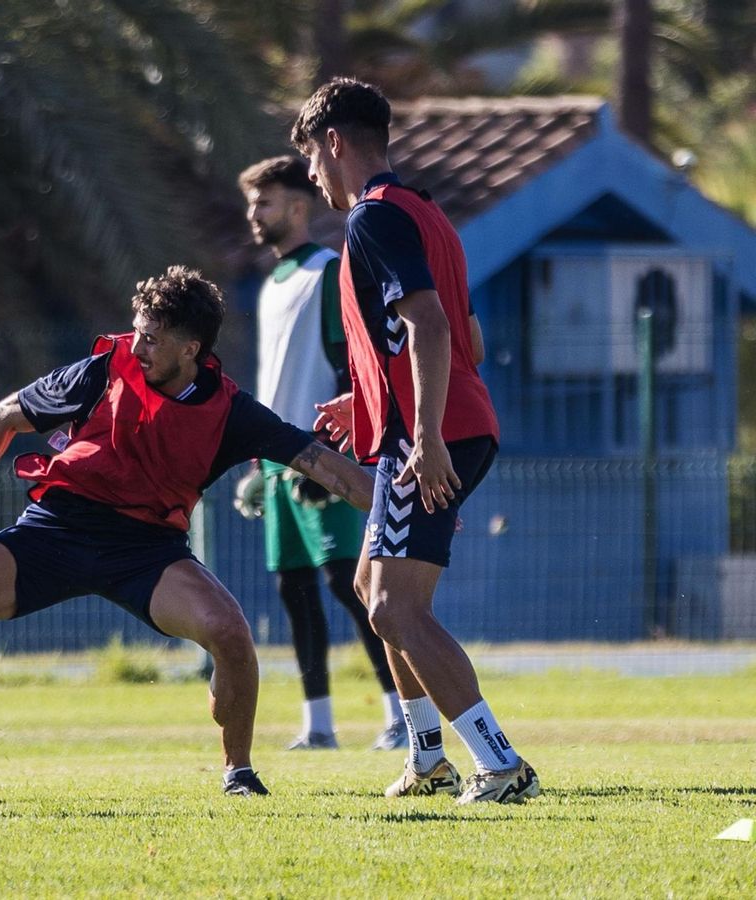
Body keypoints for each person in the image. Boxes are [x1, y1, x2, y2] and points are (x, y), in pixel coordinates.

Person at [0, 266, 374, 797]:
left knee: (231, 634)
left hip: (146, 553)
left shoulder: (232, 411)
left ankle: (237, 772)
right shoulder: (104, 370)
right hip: (53, 533)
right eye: (138, 331)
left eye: (154, 339)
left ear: (193, 349)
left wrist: (404, 507)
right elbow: (2, 418)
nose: (139, 346)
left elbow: (324, 466)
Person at [292, 78, 539, 804]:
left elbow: (431, 326)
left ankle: (500, 763)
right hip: (444, 424)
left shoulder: (372, 218)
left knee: (397, 609)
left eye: (310, 158)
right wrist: (366, 396)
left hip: (434, 436)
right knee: (373, 589)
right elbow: (470, 340)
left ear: (334, 143)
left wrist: (424, 436)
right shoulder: (427, 214)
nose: (312, 176)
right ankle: (428, 760)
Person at [233, 156, 404, 752]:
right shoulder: (270, 285)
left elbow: (347, 367)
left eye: (266, 202)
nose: (255, 214)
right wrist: (257, 463)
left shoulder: (328, 272)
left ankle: (398, 714)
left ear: (300, 207)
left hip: (317, 456)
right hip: (277, 461)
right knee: (294, 590)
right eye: (253, 203)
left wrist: (330, 455)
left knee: (347, 584)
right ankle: (319, 724)